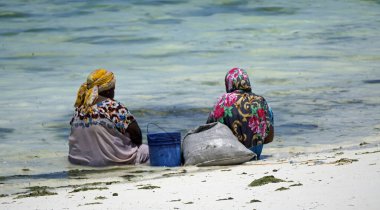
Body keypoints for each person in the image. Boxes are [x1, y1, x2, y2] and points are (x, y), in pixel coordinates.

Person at [68, 69, 149, 166]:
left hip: (77, 161)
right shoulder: (113, 107)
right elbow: (136, 134)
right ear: (108, 91)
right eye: (113, 89)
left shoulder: (80, 108)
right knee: (146, 150)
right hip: (108, 162)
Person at [207, 67, 274, 159]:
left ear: (228, 83)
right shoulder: (261, 101)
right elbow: (269, 138)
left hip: (229, 155)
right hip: (254, 154)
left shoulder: (222, 101)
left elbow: (209, 133)